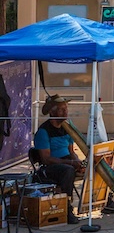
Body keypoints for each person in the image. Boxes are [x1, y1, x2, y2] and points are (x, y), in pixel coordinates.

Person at [32, 95, 82, 224]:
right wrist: (70, 163)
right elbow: (46, 159)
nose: (65, 112)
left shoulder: (67, 128)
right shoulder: (44, 131)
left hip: (67, 162)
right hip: (51, 168)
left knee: (94, 166)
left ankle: (105, 201)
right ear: (52, 112)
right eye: (61, 109)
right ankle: (67, 208)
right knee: (68, 170)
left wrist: (77, 161)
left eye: (66, 108)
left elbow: (71, 152)